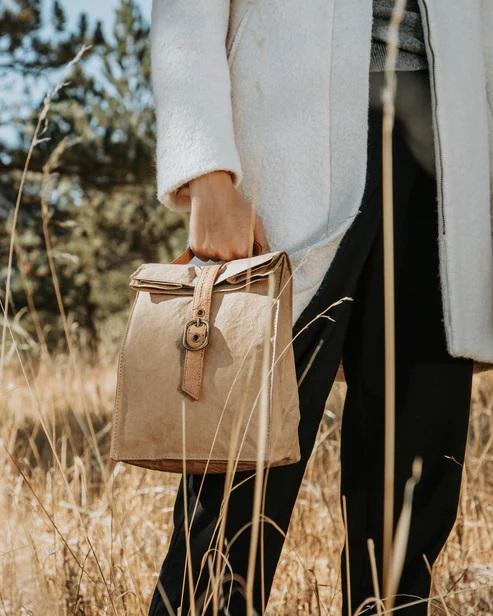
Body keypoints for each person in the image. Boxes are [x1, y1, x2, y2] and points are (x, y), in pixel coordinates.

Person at [148, 1, 493, 614]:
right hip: (285, 164)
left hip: (449, 155)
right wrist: (206, 170)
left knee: (414, 489)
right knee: (237, 479)